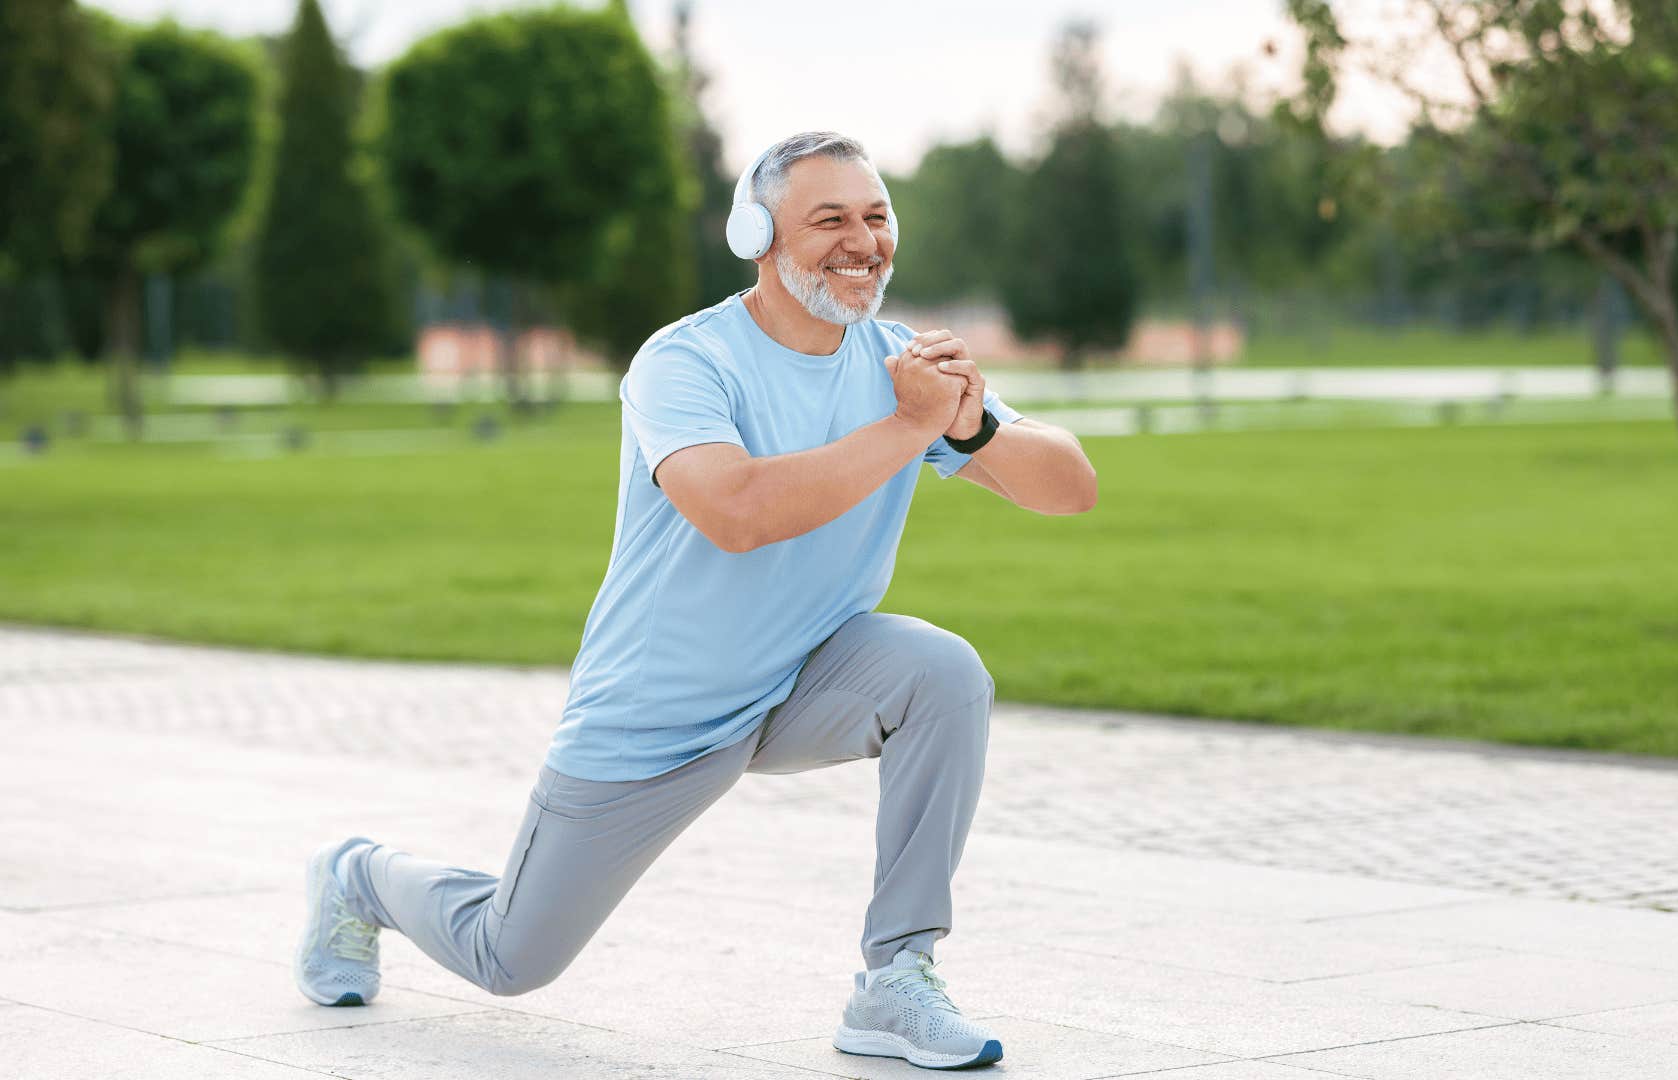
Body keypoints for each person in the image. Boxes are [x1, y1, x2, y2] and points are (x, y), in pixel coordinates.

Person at [294, 130, 1097, 1070]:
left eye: (876, 217)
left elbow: (1069, 487)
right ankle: (357, 877)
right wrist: (913, 424)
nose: (862, 240)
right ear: (755, 232)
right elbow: (737, 510)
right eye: (829, 219)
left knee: (941, 674)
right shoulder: (684, 363)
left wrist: (972, 418)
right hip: (658, 715)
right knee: (511, 958)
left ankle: (896, 978)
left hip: (803, 682)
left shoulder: (899, 369)